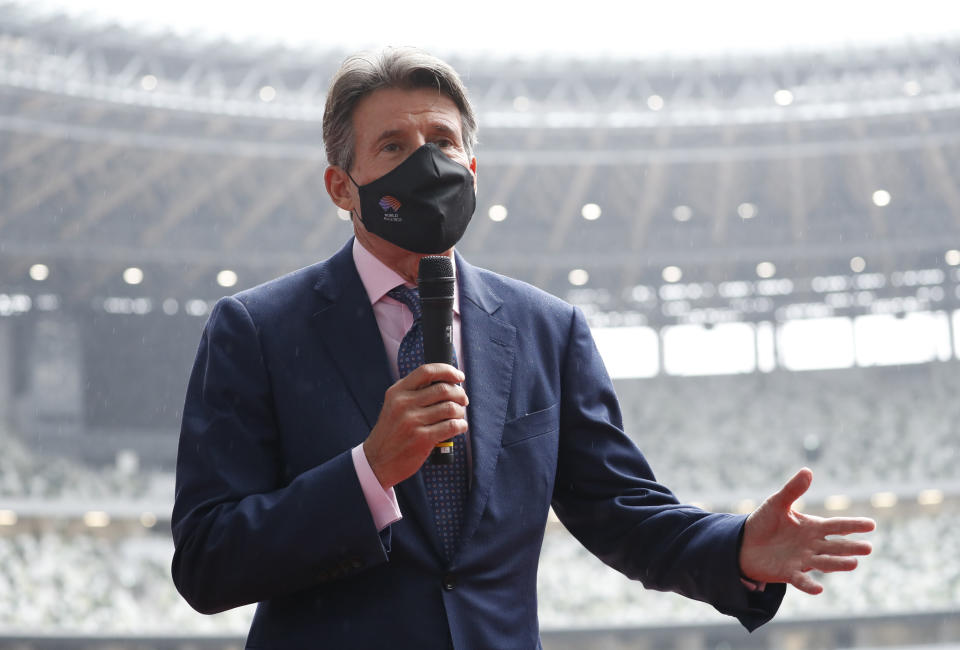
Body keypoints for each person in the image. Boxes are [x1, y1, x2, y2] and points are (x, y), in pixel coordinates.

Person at [171, 48, 875, 649]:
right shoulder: (257, 330)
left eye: (441, 143)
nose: (425, 163)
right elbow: (206, 561)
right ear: (341, 187)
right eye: (392, 147)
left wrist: (737, 549)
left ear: (472, 169)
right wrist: (368, 471)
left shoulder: (547, 329)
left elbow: (620, 510)